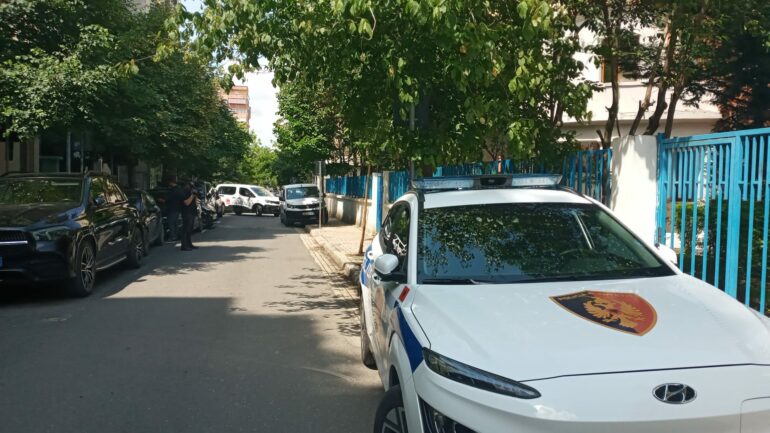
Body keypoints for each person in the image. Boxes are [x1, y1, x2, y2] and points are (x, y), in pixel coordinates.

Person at [163, 176, 184, 242]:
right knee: (176, 223)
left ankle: (173, 237)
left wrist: (161, 200)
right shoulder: (179, 189)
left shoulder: (171, 190)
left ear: (171, 182)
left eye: (169, 183)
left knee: (171, 223)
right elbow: (182, 198)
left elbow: (167, 199)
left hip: (172, 209)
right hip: (178, 209)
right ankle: (176, 236)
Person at [180, 180, 198, 251]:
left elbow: (195, 202)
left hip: (192, 212)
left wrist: (195, 195)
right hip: (186, 212)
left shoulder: (190, 191)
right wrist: (192, 195)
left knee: (190, 229)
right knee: (186, 229)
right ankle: (184, 245)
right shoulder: (184, 191)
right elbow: (187, 203)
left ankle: (189, 244)